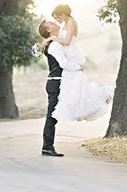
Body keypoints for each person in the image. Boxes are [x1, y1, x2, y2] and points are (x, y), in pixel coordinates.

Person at [43, 4, 113, 122]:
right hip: (68, 55)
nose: (57, 21)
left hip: (72, 53)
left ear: (63, 14)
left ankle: (103, 95)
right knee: (77, 89)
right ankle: (100, 96)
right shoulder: (65, 23)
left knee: (77, 88)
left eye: (57, 18)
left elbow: (67, 41)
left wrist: (51, 39)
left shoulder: (71, 22)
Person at [38, 19, 82, 157]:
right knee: (52, 115)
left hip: (58, 82)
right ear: (49, 30)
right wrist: (78, 67)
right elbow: (63, 63)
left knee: (54, 114)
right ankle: (47, 147)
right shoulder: (55, 46)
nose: (54, 22)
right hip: (55, 83)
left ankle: (47, 146)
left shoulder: (55, 42)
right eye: (50, 23)